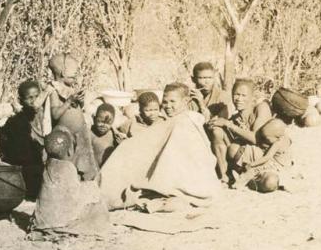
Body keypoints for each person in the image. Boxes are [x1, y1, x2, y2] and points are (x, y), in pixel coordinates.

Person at [100, 82, 221, 212]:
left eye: (173, 102)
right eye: (165, 102)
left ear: (186, 101)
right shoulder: (175, 119)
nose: (168, 106)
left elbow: (176, 150)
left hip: (186, 176)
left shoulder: (185, 121)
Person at [31, 127, 109, 237]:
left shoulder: (47, 167)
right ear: (69, 151)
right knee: (96, 199)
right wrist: (91, 187)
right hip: (62, 219)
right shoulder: (68, 168)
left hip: (44, 218)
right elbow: (75, 196)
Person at [206, 78, 272, 185]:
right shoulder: (236, 116)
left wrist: (227, 124)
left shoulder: (261, 108)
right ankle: (225, 176)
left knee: (268, 183)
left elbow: (256, 139)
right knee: (217, 131)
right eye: (236, 95)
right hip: (243, 155)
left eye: (243, 95)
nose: (238, 99)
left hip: (263, 158)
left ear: (252, 97)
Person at [46, 53, 98, 181]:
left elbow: (78, 108)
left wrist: (80, 100)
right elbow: (55, 114)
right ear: (63, 73)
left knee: (83, 162)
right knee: (66, 163)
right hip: (65, 135)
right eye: (74, 73)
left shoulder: (70, 89)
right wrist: (69, 101)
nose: (76, 75)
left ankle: (82, 183)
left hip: (79, 133)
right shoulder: (54, 90)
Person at [0, 80, 53, 199]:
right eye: (29, 98)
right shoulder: (18, 121)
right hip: (28, 163)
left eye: (36, 96)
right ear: (21, 101)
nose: (34, 101)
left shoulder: (46, 116)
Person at [230, 118, 293, 192]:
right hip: (283, 166)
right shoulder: (286, 139)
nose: (265, 141)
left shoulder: (277, 144)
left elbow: (267, 157)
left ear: (277, 137)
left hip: (274, 165)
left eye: (267, 138)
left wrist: (252, 164)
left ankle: (244, 182)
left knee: (254, 170)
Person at [91, 103, 126, 167]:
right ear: (94, 119)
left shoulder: (114, 135)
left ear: (112, 122)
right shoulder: (89, 133)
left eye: (108, 123)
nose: (103, 126)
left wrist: (121, 145)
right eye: (100, 121)